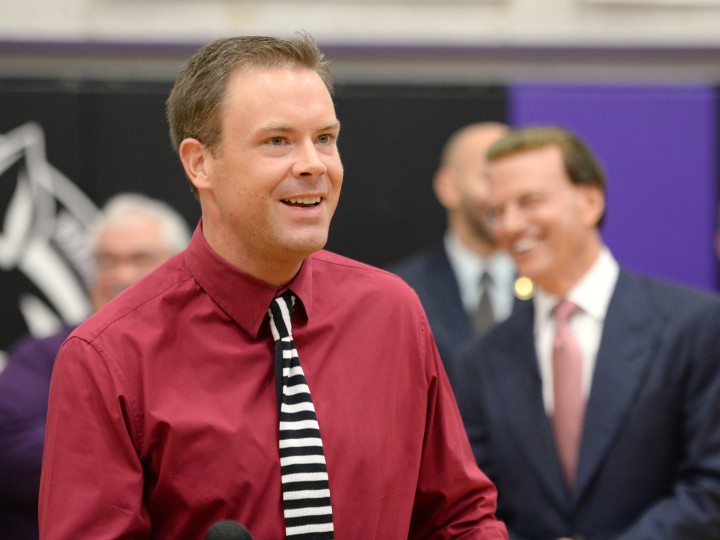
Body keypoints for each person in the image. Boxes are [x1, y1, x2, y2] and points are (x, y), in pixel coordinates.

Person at [38, 34, 508, 539]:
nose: (314, 165)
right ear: (200, 163)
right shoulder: (109, 355)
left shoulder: (391, 311)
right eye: (277, 141)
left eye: (325, 138)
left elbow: (459, 518)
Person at [454, 125, 720, 539]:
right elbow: (474, 508)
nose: (510, 225)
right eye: (497, 210)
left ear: (590, 200)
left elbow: (710, 488)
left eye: (529, 202)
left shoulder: (694, 325)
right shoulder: (481, 361)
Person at [0, 192, 190, 540]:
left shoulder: (205, 351)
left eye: (140, 259)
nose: (122, 275)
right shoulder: (45, 356)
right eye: (107, 261)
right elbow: (11, 452)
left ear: (179, 267)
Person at [390, 122, 521, 378]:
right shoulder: (401, 291)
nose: (506, 198)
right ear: (448, 187)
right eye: (491, 178)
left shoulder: (549, 286)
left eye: (516, 181)